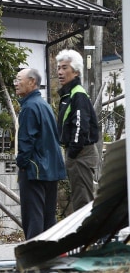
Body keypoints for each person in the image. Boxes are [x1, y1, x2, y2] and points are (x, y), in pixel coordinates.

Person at [14, 68, 67, 239]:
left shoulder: (29, 107)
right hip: (51, 168)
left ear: (32, 82)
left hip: (35, 169)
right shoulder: (44, 104)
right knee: (48, 217)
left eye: (19, 79)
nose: (15, 83)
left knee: (33, 217)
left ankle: (34, 258)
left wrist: (22, 164)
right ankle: (47, 258)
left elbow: (26, 141)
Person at [55, 49, 100, 213]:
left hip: (81, 153)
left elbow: (81, 125)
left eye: (65, 67)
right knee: (79, 198)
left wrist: (73, 152)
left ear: (75, 70)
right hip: (76, 152)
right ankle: (87, 236)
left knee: (83, 201)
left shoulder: (77, 94)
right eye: (59, 68)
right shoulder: (68, 94)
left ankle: (89, 237)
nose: (60, 72)